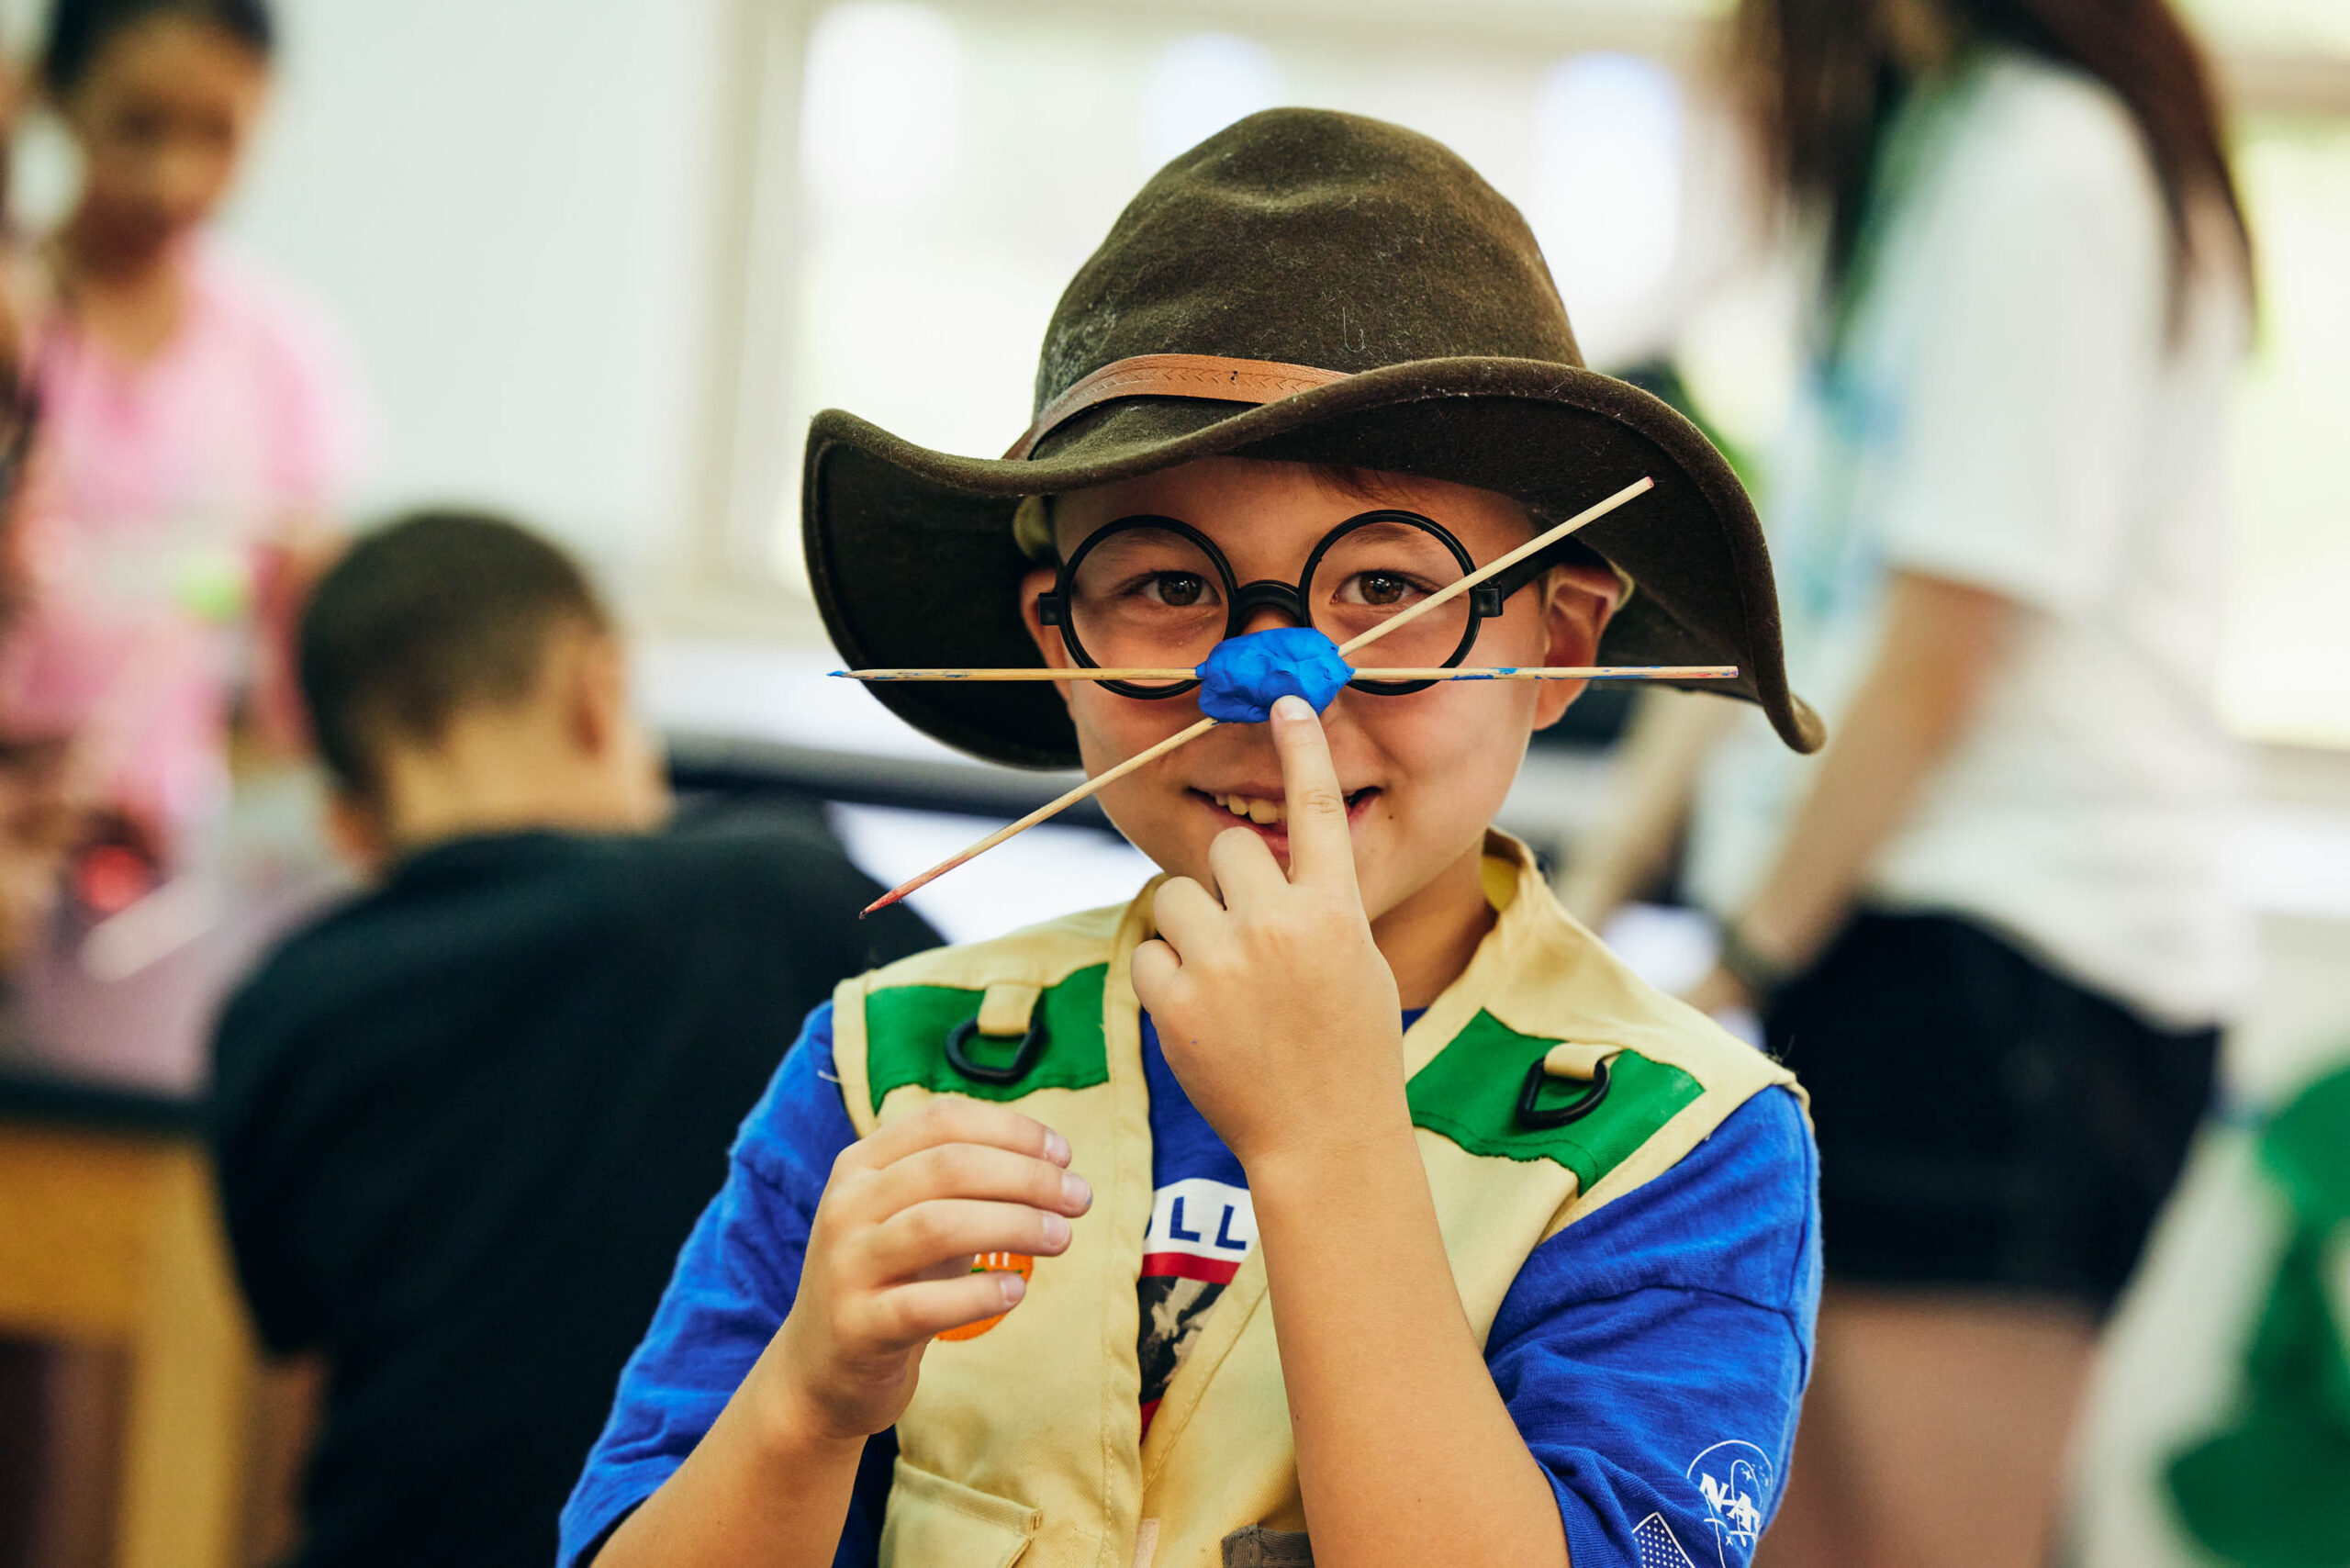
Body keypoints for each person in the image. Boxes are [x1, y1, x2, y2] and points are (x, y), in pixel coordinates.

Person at [563, 109, 1828, 1568]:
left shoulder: (1671, 1142)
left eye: (1387, 588)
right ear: (1057, 644)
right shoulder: (887, 1073)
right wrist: (802, 1403)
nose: (1273, 681)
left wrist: (1325, 1132)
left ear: (1558, 643)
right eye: (1169, 584)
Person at [1558, 2, 2254, 1563]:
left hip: (1997, 967)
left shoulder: (2049, 162)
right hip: (1876, 945)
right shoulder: (1929, 145)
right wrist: (1585, 916)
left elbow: (1943, 649)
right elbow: (1791, 606)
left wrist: (1732, 968)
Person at [207, 510, 937, 1568]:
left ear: (351, 825)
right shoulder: (786, 903)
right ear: (598, 694)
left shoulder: (283, 1008)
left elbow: (298, 1341)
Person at [0, 0, 372, 868]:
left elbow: (297, 666)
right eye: (137, 127)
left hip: (168, 844)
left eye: (219, 136)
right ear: (55, 95)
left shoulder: (279, 355)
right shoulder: (20, 329)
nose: (172, 179)